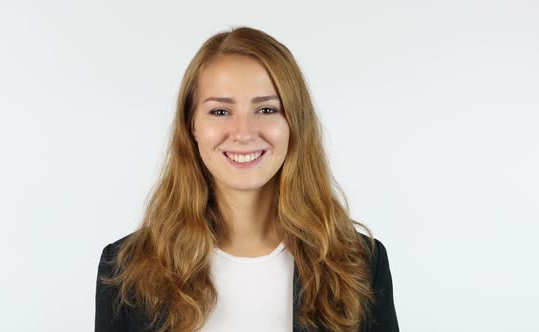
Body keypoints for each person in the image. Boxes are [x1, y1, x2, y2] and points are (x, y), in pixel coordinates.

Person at [95, 26, 399, 332]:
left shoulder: (358, 264)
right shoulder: (125, 271)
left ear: (295, 123)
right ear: (192, 126)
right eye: (220, 111)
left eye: (266, 109)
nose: (243, 132)